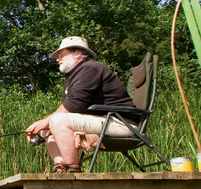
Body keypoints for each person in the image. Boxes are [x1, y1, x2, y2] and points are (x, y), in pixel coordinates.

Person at [25, 36, 138, 173]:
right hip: (104, 121)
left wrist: (45, 121)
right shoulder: (75, 76)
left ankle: (73, 170)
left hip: (122, 123)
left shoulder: (91, 68)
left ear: (78, 54)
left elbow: (74, 105)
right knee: (48, 127)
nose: (58, 59)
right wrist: (45, 124)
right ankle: (61, 167)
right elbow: (71, 107)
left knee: (57, 120)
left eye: (62, 55)